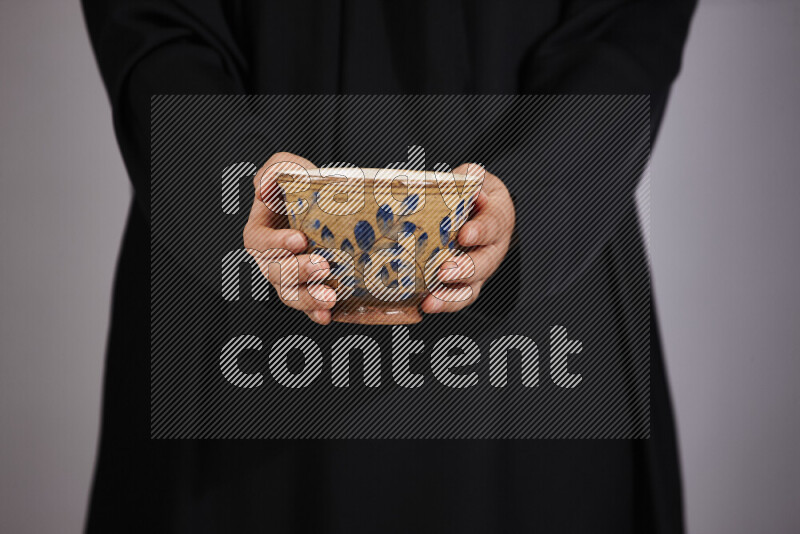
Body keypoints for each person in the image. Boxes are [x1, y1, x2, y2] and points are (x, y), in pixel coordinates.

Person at [82, 0, 696, 532]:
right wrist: (232, 181)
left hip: (539, 295)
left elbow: (629, 21)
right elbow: (150, 20)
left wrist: (534, 196)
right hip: (229, 297)